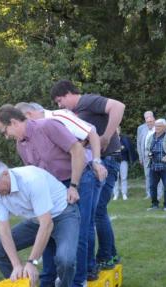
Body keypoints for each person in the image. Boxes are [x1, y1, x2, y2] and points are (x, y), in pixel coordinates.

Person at [0, 103, 86, 287]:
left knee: (78, 235)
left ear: (13, 122)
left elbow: (77, 150)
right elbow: (36, 173)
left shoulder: (47, 126)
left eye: (5, 131)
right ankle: (48, 283)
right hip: (50, 188)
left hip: (75, 179)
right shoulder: (21, 145)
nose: (6, 136)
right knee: (47, 235)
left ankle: (77, 284)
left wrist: (74, 185)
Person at [0, 159, 80, 287]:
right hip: (36, 220)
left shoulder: (31, 179)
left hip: (63, 215)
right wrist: (16, 265)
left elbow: (47, 224)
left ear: (5, 174)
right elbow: (4, 230)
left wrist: (32, 262)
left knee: (65, 259)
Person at [51, 79, 125, 271]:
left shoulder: (87, 101)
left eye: (60, 101)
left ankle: (106, 256)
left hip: (108, 159)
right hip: (100, 161)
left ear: (68, 93)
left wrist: (106, 137)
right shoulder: (76, 112)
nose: (60, 106)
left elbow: (118, 106)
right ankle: (110, 254)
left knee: (97, 211)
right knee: (98, 212)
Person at [145, 119, 166, 211]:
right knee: (152, 186)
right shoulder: (151, 137)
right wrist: (148, 154)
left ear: (164, 127)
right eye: (156, 126)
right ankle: (154, 205)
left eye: (159, 126)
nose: (156, 128)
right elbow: (147, 149)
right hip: (153, 166)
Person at [136, 111, 162, 199]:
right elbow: (139, 144)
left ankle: (159, 194)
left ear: (154, 118)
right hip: (146, 156)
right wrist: (140, 157)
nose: (148, 121)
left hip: (158, 155)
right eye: (146, 119)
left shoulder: (159, 126)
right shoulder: (141, 128)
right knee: (148, 175)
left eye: (150, 118)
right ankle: (149, 193)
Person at [114, 127, 137, 201]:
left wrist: (122, 148)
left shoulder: (124, 139)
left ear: (119, 131)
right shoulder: (111, 139)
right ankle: (115, 194)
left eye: (117, 130)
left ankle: (124, 193)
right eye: (115, 130)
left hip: (123, 160)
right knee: (115, 178)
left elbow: (128, 149)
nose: (116, 131)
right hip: (114, 161)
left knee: (124, 178)